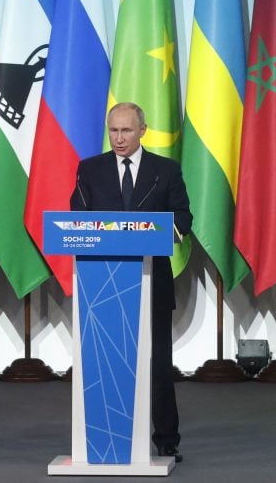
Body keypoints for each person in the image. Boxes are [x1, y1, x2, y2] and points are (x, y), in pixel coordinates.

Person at [69, 102, 192, 463]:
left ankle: (166, 439)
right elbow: (78, 216)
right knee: (107, 360)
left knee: (157, 362)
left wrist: (161, 229)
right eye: (113, 131)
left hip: (152, 281)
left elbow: (183, 217)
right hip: (102, 284)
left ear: (143, 130)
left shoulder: (165, 171)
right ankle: (108, 433)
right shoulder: (89, 170)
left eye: (125, 131)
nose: (119, 138)